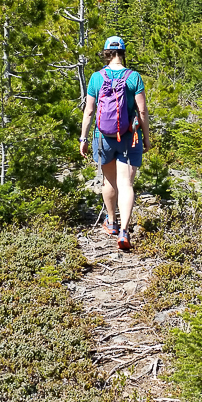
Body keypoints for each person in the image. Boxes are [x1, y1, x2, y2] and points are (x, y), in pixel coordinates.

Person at [80, 36, 151, 250]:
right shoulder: (134, 77)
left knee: (109, 182)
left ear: (106, 54)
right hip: (129, 137)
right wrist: (147, 138)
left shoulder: (97, 77)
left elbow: (89, 111)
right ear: (123, 53)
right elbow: (142, 111)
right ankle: (124, 231)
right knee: (126, 184)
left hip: (103, 138)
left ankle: (111, 222)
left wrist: (83, 138)